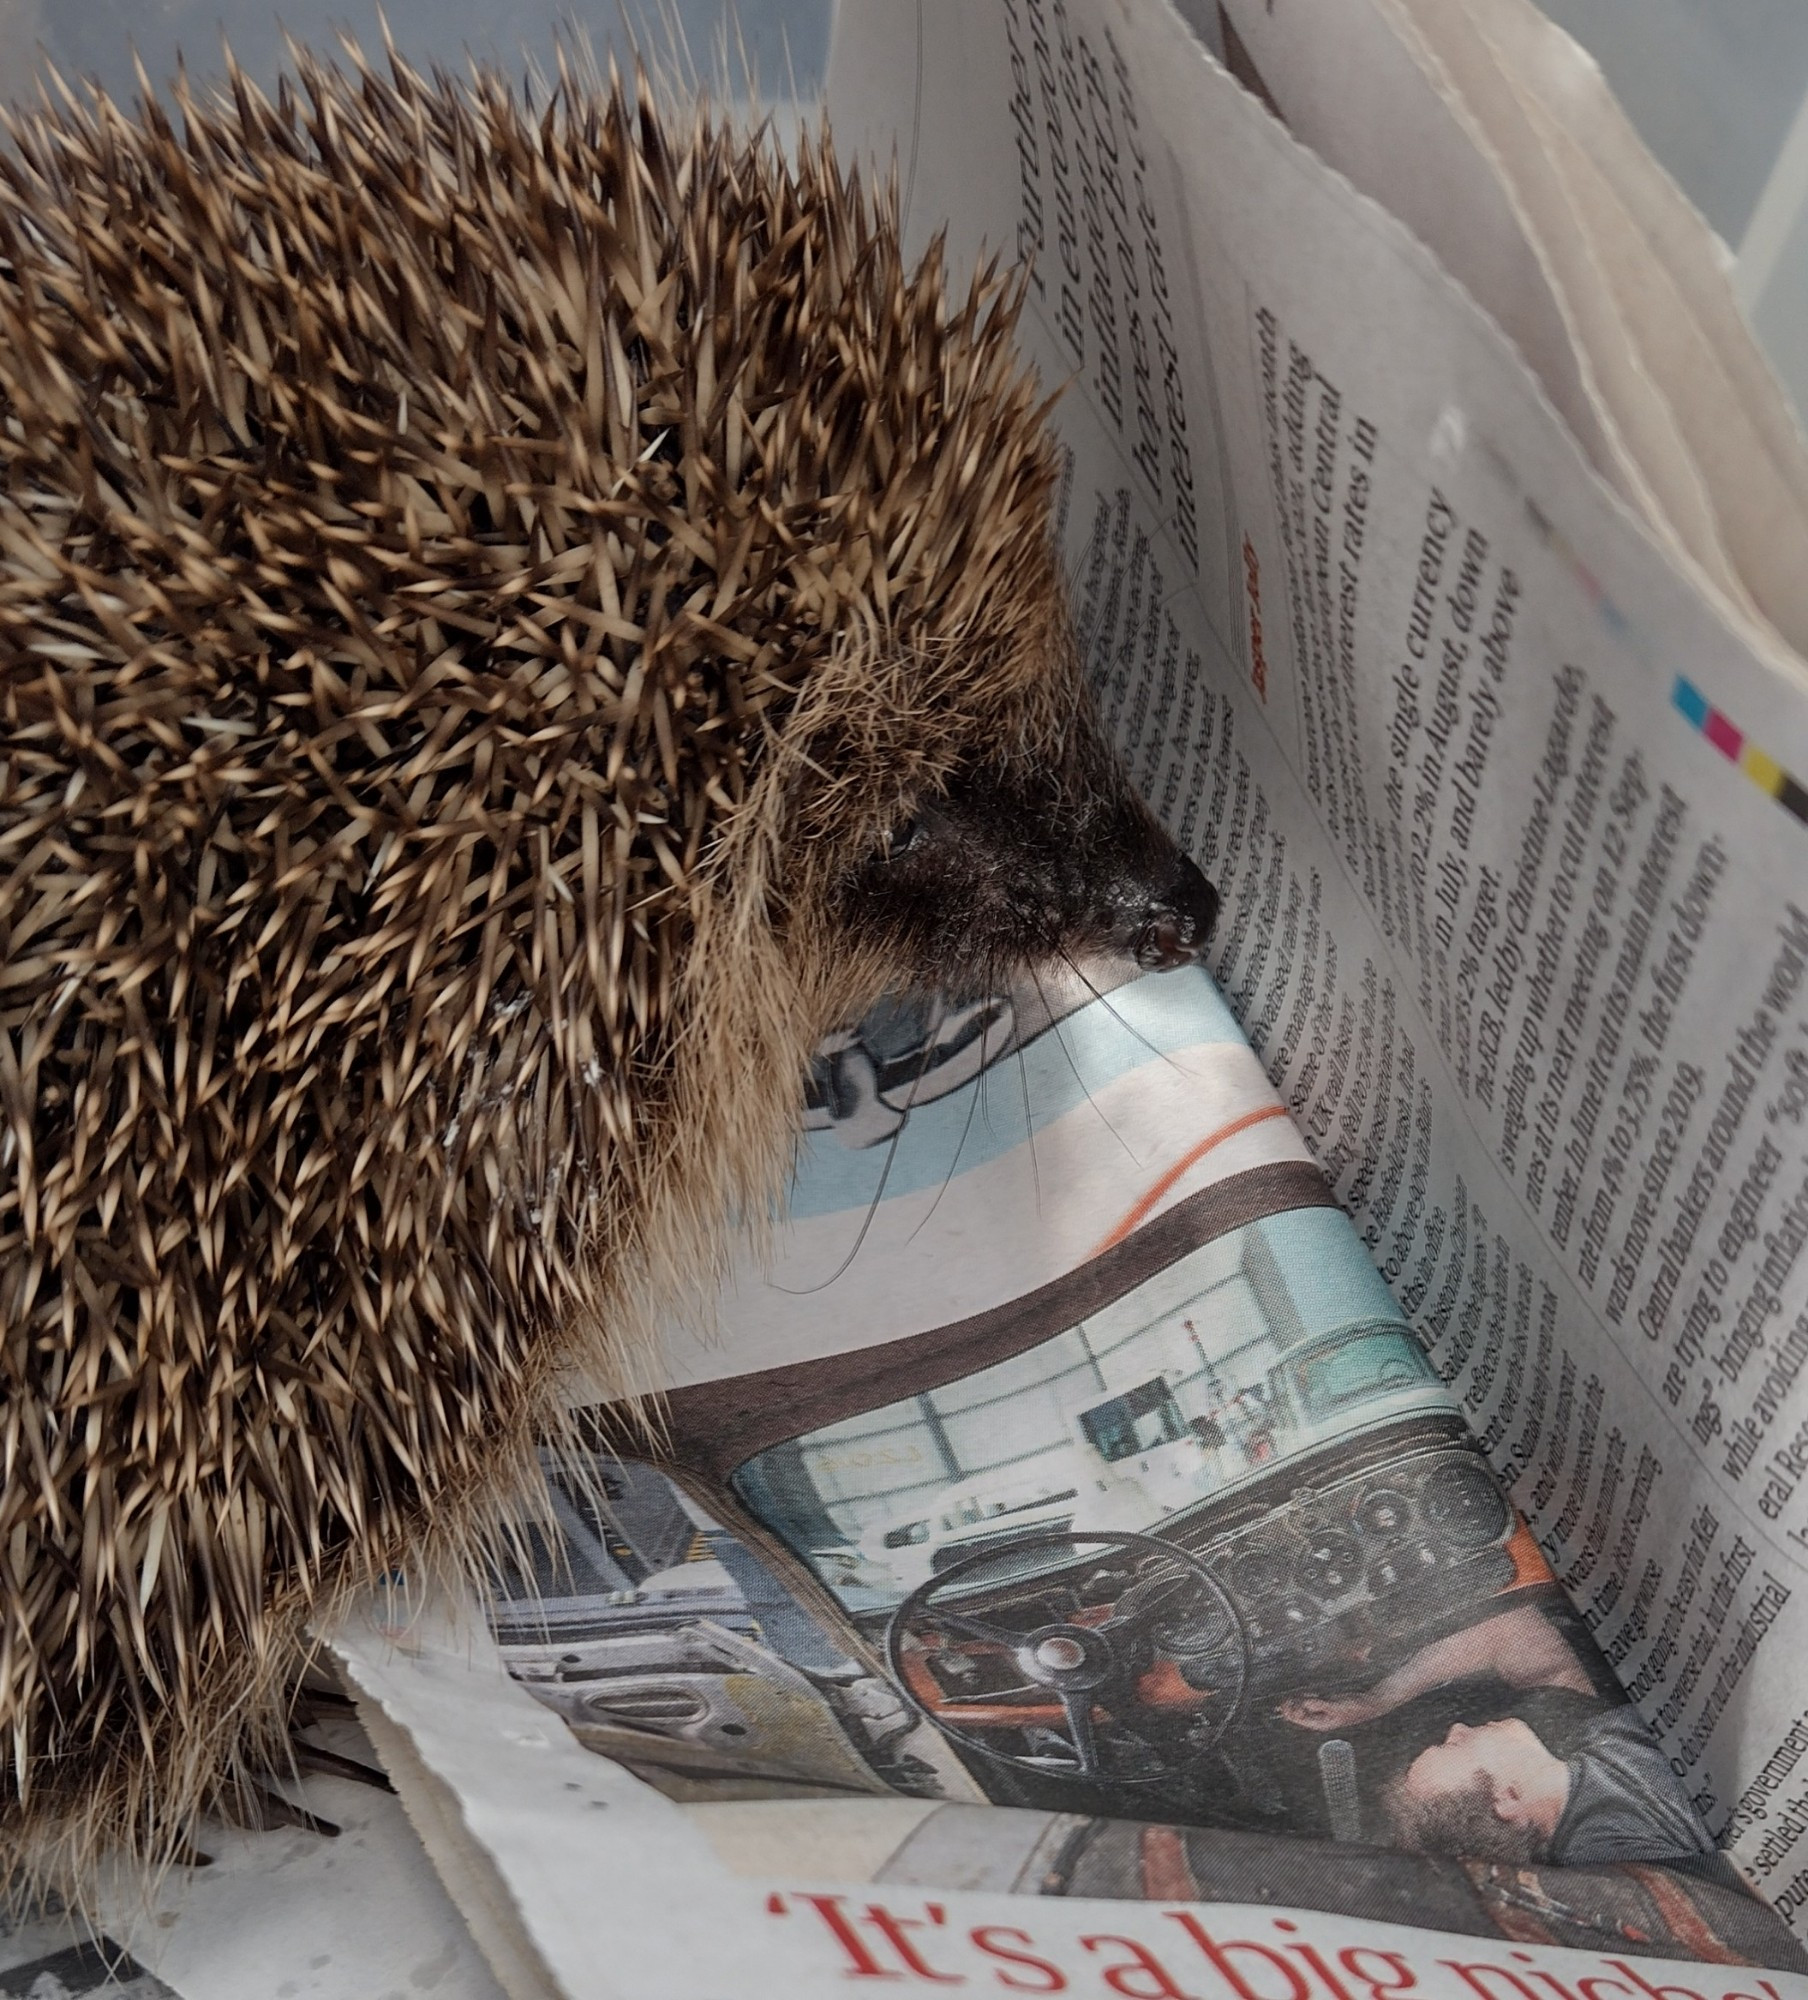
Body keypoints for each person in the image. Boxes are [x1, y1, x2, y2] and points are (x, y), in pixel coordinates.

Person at [1279, 1603, 1717, 1869]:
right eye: (1455, 1747)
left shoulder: (1575, 1757)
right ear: (1507, 1799)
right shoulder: (1613, 1851)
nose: (1458, 1729)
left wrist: (1375, 1701)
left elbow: (1509, 1629)